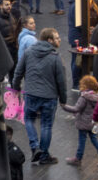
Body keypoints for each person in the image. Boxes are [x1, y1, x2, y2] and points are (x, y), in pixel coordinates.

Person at [13, 27, 67, 165]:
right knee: (46, 125)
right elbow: (61, 80)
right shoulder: (55, 57)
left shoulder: (28, 52)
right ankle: (44, 156)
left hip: (31, 93)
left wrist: (16, 87)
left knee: (29, 119)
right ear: (49, 40)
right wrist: (63, 99)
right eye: (57, 38)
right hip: (49, 96)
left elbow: (18, 71)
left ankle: (34, 146)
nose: (59, 40)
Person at [63, 75, 98, 168]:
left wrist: (63, 106)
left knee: (82, 140)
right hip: (95, 123)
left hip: (83, 123)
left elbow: (76, 109)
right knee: (94, 139)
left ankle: (78, 158)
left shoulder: (84, 97)